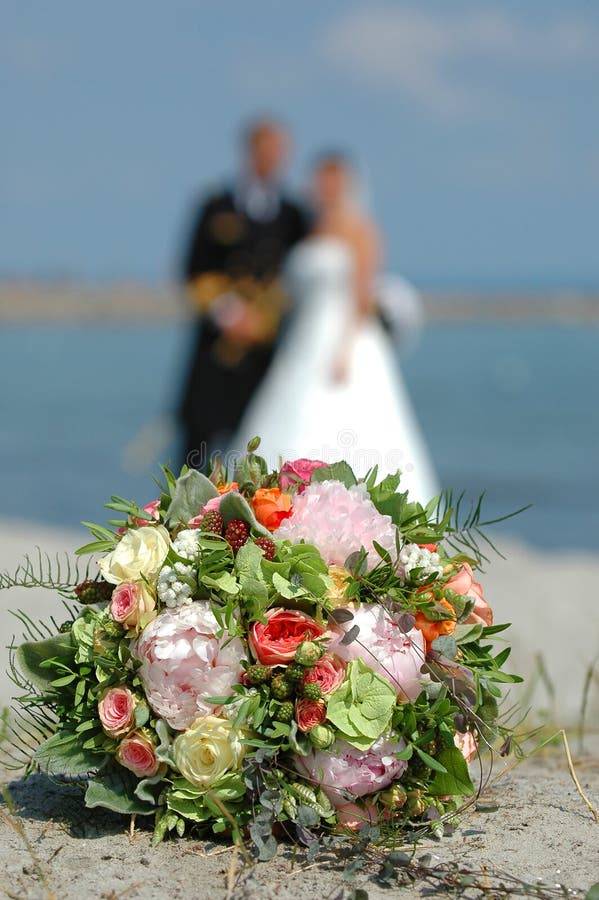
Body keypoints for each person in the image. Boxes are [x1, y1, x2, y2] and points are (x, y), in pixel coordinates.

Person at [233, 153, 439, 505]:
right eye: (319, 181)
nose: (323, 189)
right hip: (303, 340)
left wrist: (345, 351)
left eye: (331, 182)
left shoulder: (360, 229)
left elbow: (362, 297)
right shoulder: (311, 228)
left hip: (346, 342)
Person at [179, 118, 309, 467]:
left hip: (266, 354)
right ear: (250, 153)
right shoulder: (214, 207)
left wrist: (266, 319)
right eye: (266, 152)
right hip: (216, 352)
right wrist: (231, 314)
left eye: (280, 153)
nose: (273, 160)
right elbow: (193, 270)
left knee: (257, 447)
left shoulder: (295, 216)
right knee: (198, 443)